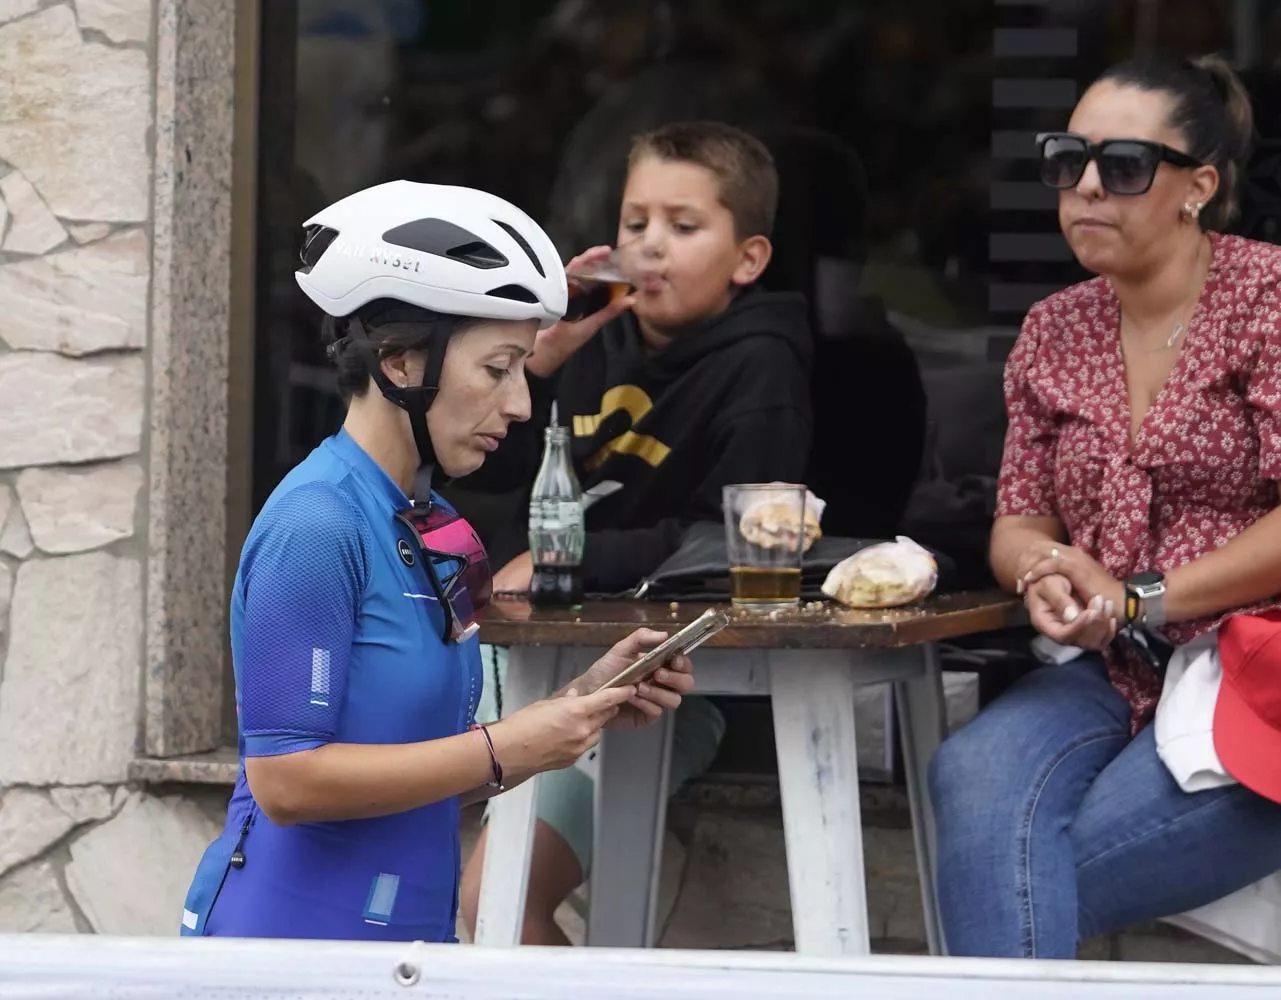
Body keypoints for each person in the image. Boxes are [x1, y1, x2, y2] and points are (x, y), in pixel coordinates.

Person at [179, 180, 696, 941]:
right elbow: (285, 781)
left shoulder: (437, 526)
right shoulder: (316, 523)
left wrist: (578, 704)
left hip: (407, 954)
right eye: (498, 368)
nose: (520, 404)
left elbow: (428, 776)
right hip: (289, 956)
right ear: (399, 362)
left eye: (522, 368)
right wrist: (508, 743)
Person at [927, 53, 1281, 959]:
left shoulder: (1268, 299)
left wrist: (1138, 597)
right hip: (1111, 660)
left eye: (1122, 165)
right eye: (1067, 159)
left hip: (1261, 672)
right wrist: (1045, 573)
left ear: (1197, 187)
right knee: (971, 769)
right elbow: (1020, 519)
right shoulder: (1053, 328)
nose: (1085, 186)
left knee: (1013, 882)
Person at [457, 121, 813, 944]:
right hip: (524, 662)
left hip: (659, 690)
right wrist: (534, 359)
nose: (650, 245)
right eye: (634, 222)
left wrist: (561, 560)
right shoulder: (587, 342)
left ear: (748, 258)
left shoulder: (762, 364)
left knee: (495, 907)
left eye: (683, 226)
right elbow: (481, 480)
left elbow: (733, 542)